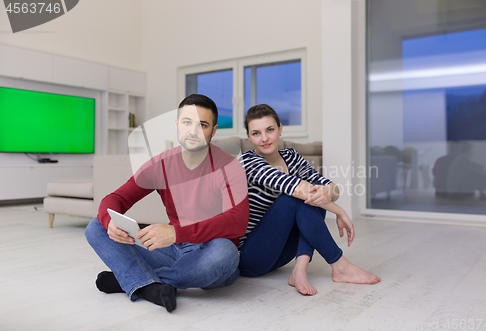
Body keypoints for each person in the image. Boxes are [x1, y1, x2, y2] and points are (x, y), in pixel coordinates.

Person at [85, 94, 249, 312]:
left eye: (203, 125)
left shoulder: (229, 166)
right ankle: (148, 285)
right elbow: (116, 199)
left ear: (214, 130)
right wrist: (110, 222)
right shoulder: (161, 164)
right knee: (95, 227)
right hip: (173, 251)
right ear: (177, 124)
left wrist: (176, 232)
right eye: (187, 122)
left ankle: (134, 280)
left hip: (210, 251)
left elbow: (237, 222)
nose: (193, 131)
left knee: (225, 253)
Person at [238, 104, 381, 295]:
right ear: (248, 137)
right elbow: (293, 187)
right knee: (295, 197)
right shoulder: (247, 161)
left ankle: (299, 269)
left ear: (280, 129)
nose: (264, 138)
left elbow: (331, 187)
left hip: (279, 255)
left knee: (317, 192)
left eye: (270, 130)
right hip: (251, 257)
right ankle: (340, 266)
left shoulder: (291, 156)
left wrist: (328, 191)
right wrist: (339, 210)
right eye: (256, 133)